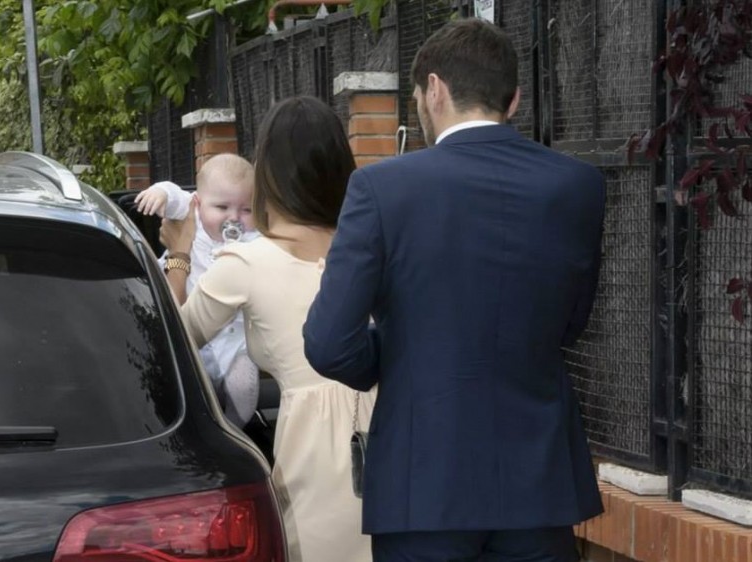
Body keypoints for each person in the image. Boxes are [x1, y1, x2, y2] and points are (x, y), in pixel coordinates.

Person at [303, 18, 606, 562]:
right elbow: (570, 324)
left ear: (434, 89)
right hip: (538, 482)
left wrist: (401, 356)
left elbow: (328, 343)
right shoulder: (577, 186)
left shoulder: (381, 188)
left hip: (422, 482)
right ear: (513, 100)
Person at [159, 96, 376, 562]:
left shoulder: (246, 263)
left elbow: (170, 344)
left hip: (316, 453)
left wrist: (178, 254)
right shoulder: (373, 245)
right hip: (394, 436)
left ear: (268, 176)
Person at [135, 154, 260, 427]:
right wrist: (159, 194)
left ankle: (233, 428)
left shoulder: (255, 239)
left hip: (236, 346)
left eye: (246, 210)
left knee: (244, 388)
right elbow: (173, 194)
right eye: (222, 207)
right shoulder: (193, 216)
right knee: (191, 396)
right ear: (198, 202)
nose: (233, 218)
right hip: (195, 343)